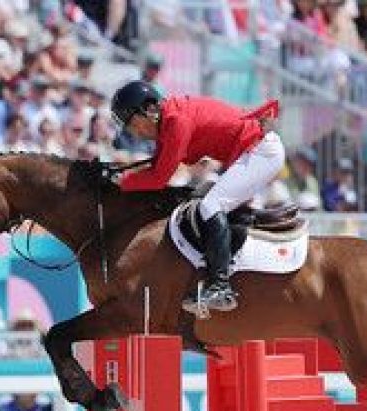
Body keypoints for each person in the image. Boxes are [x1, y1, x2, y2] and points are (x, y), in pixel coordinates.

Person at [109, 80, 284, 315]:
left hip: (260, 152)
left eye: (132, 124)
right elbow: (157, 166)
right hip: (251, 153)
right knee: (205, 201)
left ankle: (221, 286)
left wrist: (122, 182)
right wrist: (120, 173)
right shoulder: (169, 119)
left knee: (211, 205)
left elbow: (159, 178)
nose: (134, 133)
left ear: (148, 111)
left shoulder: (176, 121)